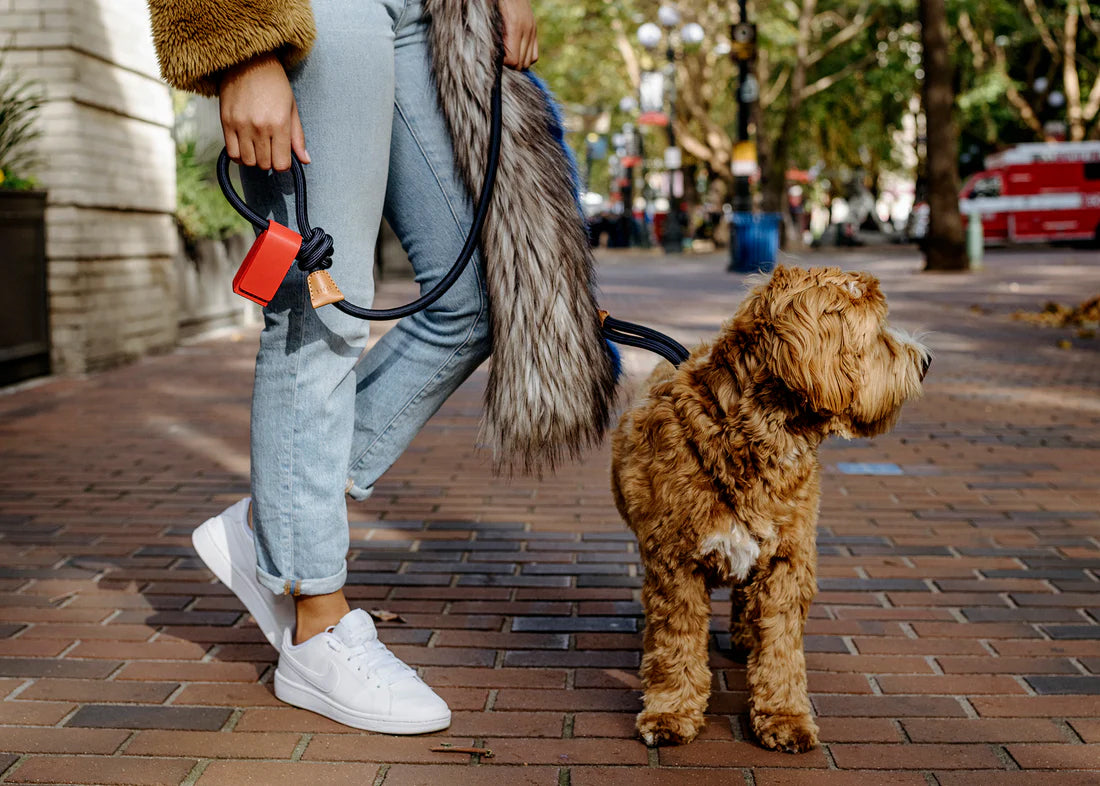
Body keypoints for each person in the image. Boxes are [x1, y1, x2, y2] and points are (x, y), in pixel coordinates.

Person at [146, 0, 542, 734]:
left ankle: (281, 518)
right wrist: (242, 46)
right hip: (316, 11)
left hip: (433, 15)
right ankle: (314, 627)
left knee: (480, 300)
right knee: (323, 309)